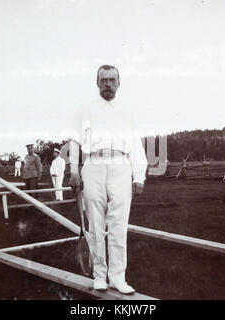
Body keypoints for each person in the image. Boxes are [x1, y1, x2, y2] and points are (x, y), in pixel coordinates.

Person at [69, 65, 148, 295]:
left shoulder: (127, 112)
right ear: (97, 83)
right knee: (95, 223)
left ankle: (118, 277)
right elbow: (74, 141)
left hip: (121, 166)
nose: (108, 84)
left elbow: (136, 145)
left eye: (112, 80)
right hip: (93, 165)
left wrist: (139, 175)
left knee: (118, 225)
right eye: (103, 80)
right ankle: (99, 275)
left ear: (119, 83)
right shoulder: (84, 110)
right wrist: (74, 169)